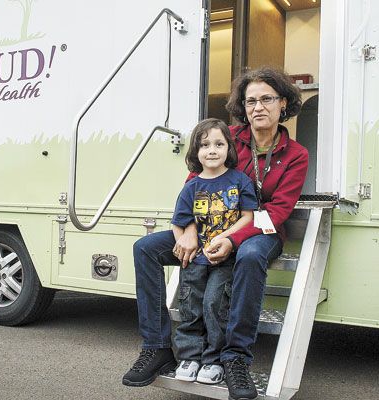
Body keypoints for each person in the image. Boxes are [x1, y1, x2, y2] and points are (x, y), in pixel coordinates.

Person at [122, 67, 308, 400]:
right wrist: (190, 231)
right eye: (250, 100)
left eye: (267, 99)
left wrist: (232, 238)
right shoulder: (227, 136)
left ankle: (235, 359)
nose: (258, 107)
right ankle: (156, 348)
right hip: (206, 225)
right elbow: (194, 184)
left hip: (258, 231)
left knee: (250, 256)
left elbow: (278, 212)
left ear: (283, 103)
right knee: (145, 248)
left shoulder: (296, 155)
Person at [166, 118, 257, 384]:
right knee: (191, 307)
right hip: (194, 262)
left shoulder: (239, 181)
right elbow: (177, 222)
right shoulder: (192, 186)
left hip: (224, 260)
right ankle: (190, 357)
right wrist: (184, 244)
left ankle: (213, 359)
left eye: (219, 143)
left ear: (230, 148)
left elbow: (247, 217)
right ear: (195, 152)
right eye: (205, 145)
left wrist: (224, 237)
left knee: (215, 304)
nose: (212, 150)